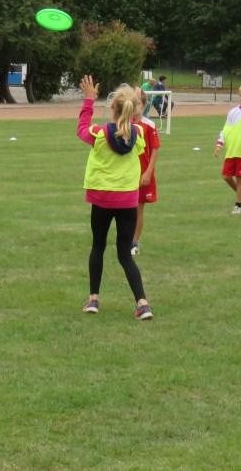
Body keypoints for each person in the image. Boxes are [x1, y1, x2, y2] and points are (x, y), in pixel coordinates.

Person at [77, 75, 153, 320]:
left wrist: (89, 100)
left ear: (112, 107)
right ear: (133, 110)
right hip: (128, 201)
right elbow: (131, 134)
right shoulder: (138, 134)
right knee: (124, 254)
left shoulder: (100, 134)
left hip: (102, 199)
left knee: (98, 247)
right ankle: (142, 303)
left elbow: (81, 129)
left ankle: (93, 299)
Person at [215, 84, 241, 215]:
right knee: (226, 176)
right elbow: (226, 129)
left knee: (240, 178)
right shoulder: (232, 112)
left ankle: (238, 205)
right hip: (231, 150)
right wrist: (219, 144)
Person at [131, 88, 161, 255]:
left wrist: (148, 172)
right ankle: (125, 239)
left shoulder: (149, 125)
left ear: (143, 105)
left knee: (138, 208)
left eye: (137, 103)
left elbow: (155, 149)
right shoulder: (124, 123)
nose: (134, 107)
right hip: (125, 174)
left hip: (142, 174)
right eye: (132, 103)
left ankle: (134, 242)